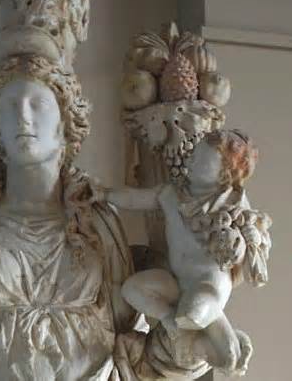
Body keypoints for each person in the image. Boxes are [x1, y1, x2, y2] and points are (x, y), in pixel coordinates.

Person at [0, 55, 213, 380]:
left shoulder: (101, 229)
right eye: (10, 106)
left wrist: (195, 329)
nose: (23, 116)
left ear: (65, 125)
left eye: (38, 104)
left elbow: (136, 348)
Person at [99, 130, 271, 376]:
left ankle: (227, 343)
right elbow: (135, 199)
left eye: (201, 160)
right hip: (177, 282)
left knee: (193, 315)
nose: (191, 161)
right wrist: (104, 194)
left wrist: (242, 246)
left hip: (208, 286)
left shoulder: (233, 205)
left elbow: (251, 253)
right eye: (194, 155)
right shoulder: (171, 194)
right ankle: (176, 322)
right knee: (132, 289)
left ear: (223, 174)